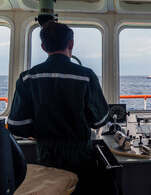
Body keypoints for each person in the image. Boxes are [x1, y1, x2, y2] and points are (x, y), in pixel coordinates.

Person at [7, 20, 109, 194]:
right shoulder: (86, 76)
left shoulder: (27, 78)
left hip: (46, 157)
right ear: (71, 44)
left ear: (43, 46)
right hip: (81, 157)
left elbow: (17, 126)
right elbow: (99, 120)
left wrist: (39, 130)